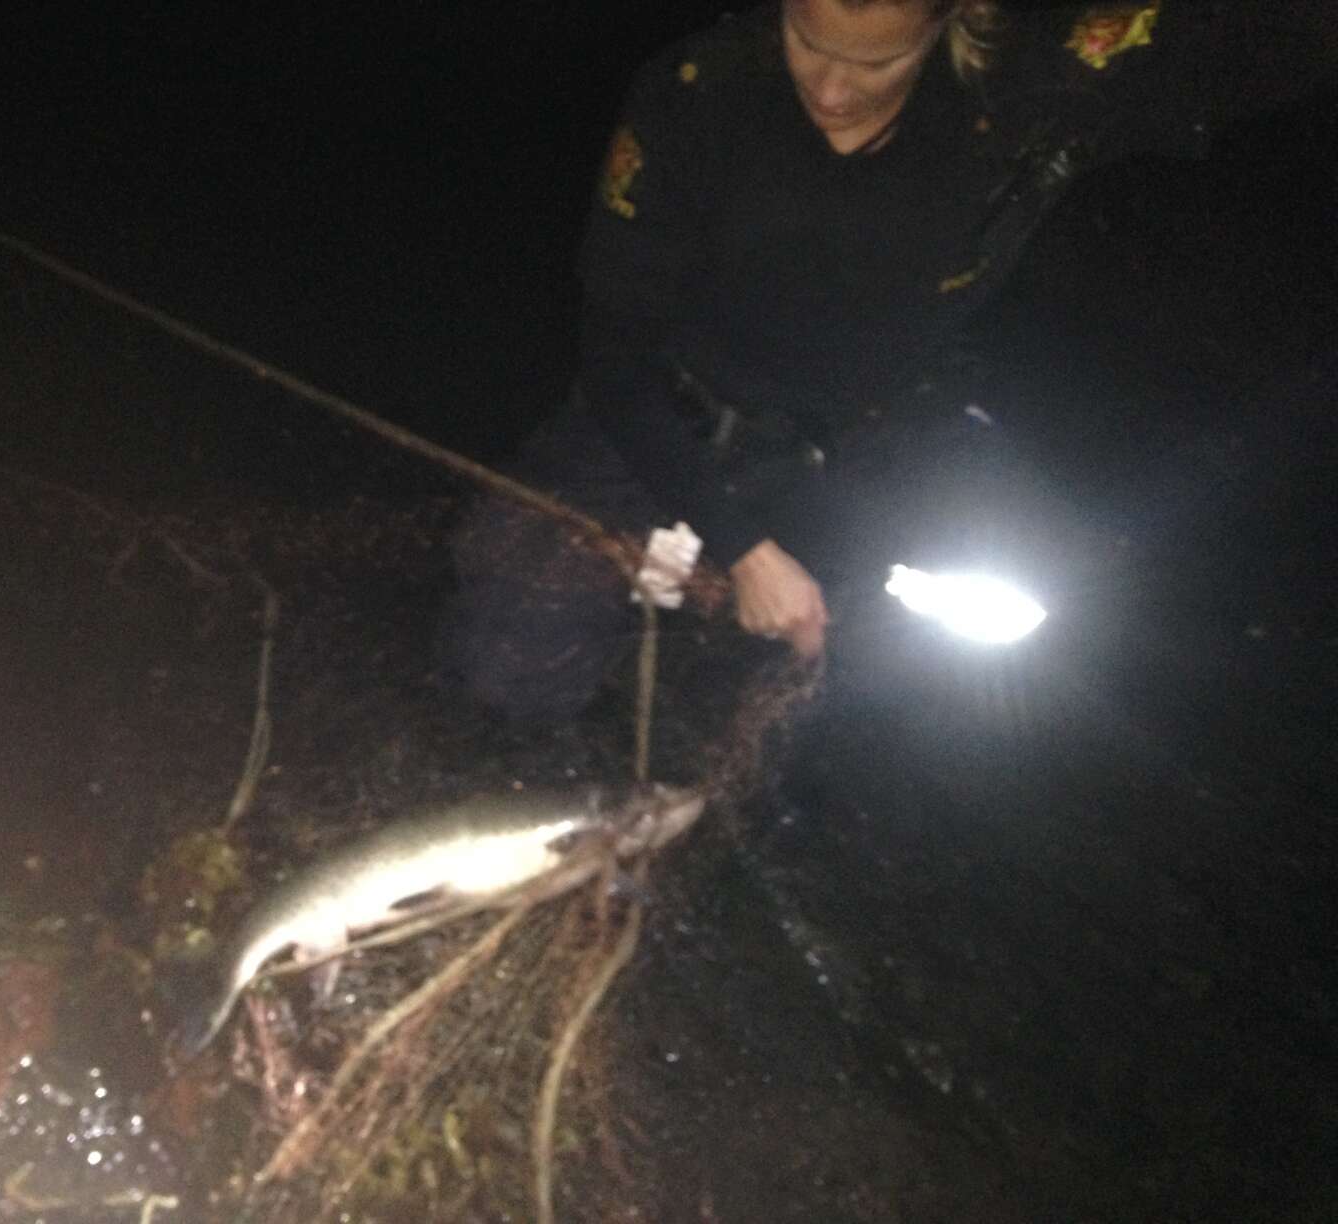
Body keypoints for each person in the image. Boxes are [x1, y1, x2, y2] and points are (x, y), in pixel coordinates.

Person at [444, 0, 1337, 724]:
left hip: (871, 429)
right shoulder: (697, 93)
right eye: (808, 42)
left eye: (877, 63)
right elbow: (614, 358)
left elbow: (1257, 40)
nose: (832, 90)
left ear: (953, 21)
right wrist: (737, 541)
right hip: (668, 410)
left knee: (921, 647)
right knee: (508, 653)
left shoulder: (1033, 81)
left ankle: (755, 737)